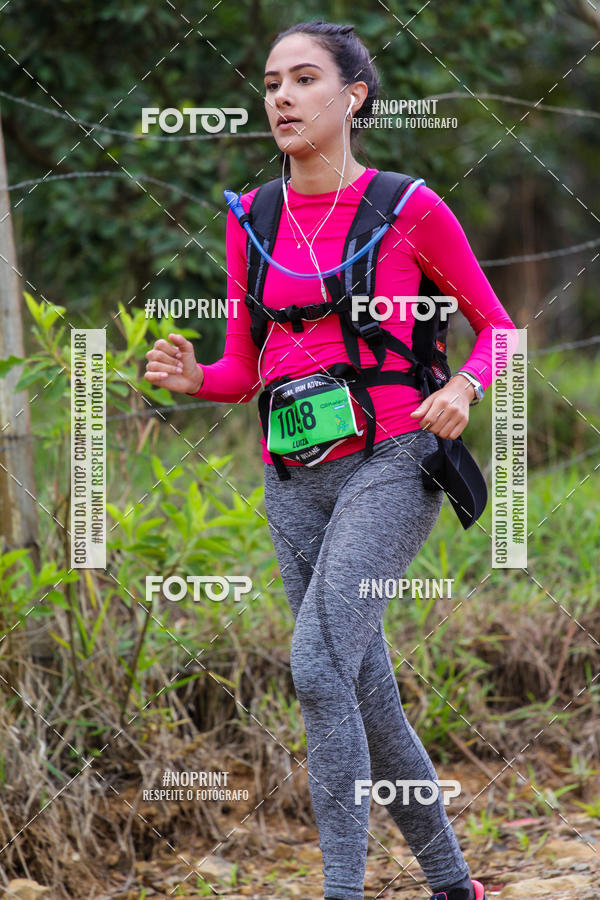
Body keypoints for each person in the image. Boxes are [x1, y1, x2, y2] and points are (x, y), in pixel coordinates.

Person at [145, 19, 516, 900]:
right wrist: (197, 378)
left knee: (315, 667)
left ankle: (340, 890)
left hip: (392, 457)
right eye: (271, 81)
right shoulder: (252, 216)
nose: (280, 95)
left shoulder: (409, 207)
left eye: (303, 78)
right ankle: (454, 884)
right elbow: (245, 367)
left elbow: (500, 329)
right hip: (291, 478)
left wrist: (464, 385)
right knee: (363, 689)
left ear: (351, 97)